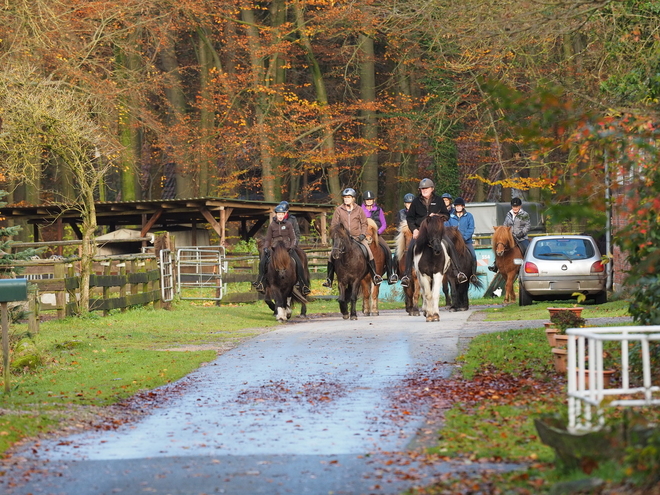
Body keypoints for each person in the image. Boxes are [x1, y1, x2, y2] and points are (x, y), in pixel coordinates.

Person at [323, 188, 384, 288]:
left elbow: (364, 223)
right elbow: (334, 225)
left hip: (357, 237)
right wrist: (337, 234)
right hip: (343, 239)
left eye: (348, 197)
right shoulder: (339, 210)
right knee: (331, 255)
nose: (346, 199)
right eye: (345, 197)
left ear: (353, 198)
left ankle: (375, 276)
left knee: (369, 253)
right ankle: (329, 279)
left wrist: (363, 234)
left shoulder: (359, 209)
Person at [399, 178, 450, 287]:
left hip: (436, 232)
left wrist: (437, 216)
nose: (424, 190)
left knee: (450, 244)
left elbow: (446, 215)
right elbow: (410, 218)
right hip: (421, 232)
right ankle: (407, 274)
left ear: (432, 188)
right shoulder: (416, 202)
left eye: (426, 188)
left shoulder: (439, 200)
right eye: (422, 188)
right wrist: (414, 230)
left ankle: (457, 270)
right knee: (410, 248)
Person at [253, 204, 311, 295]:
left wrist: (291, 246)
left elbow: (293, 238)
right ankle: (260, 282)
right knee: (262, 262)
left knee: (299, 263)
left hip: (287, 247)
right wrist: (265, 247)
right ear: (276, 214)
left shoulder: (289, 224)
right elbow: (268, 239)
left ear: (284, 214)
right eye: (278, 214)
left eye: (282, 214)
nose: (280, 216)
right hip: (275, 247)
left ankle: (304, 285)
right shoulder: (272, 225)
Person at [361, 191, 398, 284]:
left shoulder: (378, 209)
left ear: (373, 200)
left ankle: (390, 275)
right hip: (364, 235)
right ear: (364, 201)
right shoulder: (360, 210)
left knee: (387, 250)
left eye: (370, 199)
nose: (369, 201)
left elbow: (384, 224)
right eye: (367, 200)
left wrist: (378, 232)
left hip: (376, 235)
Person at [488, 197, 531, 272]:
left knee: (527, 249)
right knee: (499, 247)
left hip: (522, 238)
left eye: (516, 206)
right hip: (510, 237)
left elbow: (527, 226)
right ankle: (496, 264)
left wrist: (521, 233)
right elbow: (505, 225)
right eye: (514, 206)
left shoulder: (524, 214)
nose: (515, 208)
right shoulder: (509, 214)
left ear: (520, 206)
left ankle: (528, 265)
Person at [453, 197, 476, 262]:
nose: (458, 207)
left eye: (459, 206)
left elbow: (471, 228)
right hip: (453, 242)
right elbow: (448, 228)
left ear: (463, 206)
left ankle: (473, 271)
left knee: (473, 256)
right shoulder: (450, 217)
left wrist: (464, 238)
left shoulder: (469, 216)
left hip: (466, 242)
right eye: (456, 206)